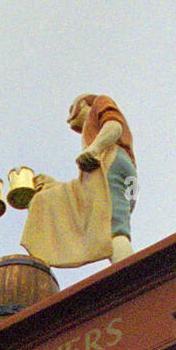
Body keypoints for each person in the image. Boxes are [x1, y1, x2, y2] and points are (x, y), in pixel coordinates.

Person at [21, 93, 138, 268]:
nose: (69, 118)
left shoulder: (100, 102)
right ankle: (125, 268)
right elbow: (85, 192)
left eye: (72, 108)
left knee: (112, 229)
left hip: (111, 161)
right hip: (118, 171)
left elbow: (114, 126)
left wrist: (95, 149)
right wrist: (53, 186)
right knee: (109, 226)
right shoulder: (91, 137)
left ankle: (129, 273)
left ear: (83, 104)